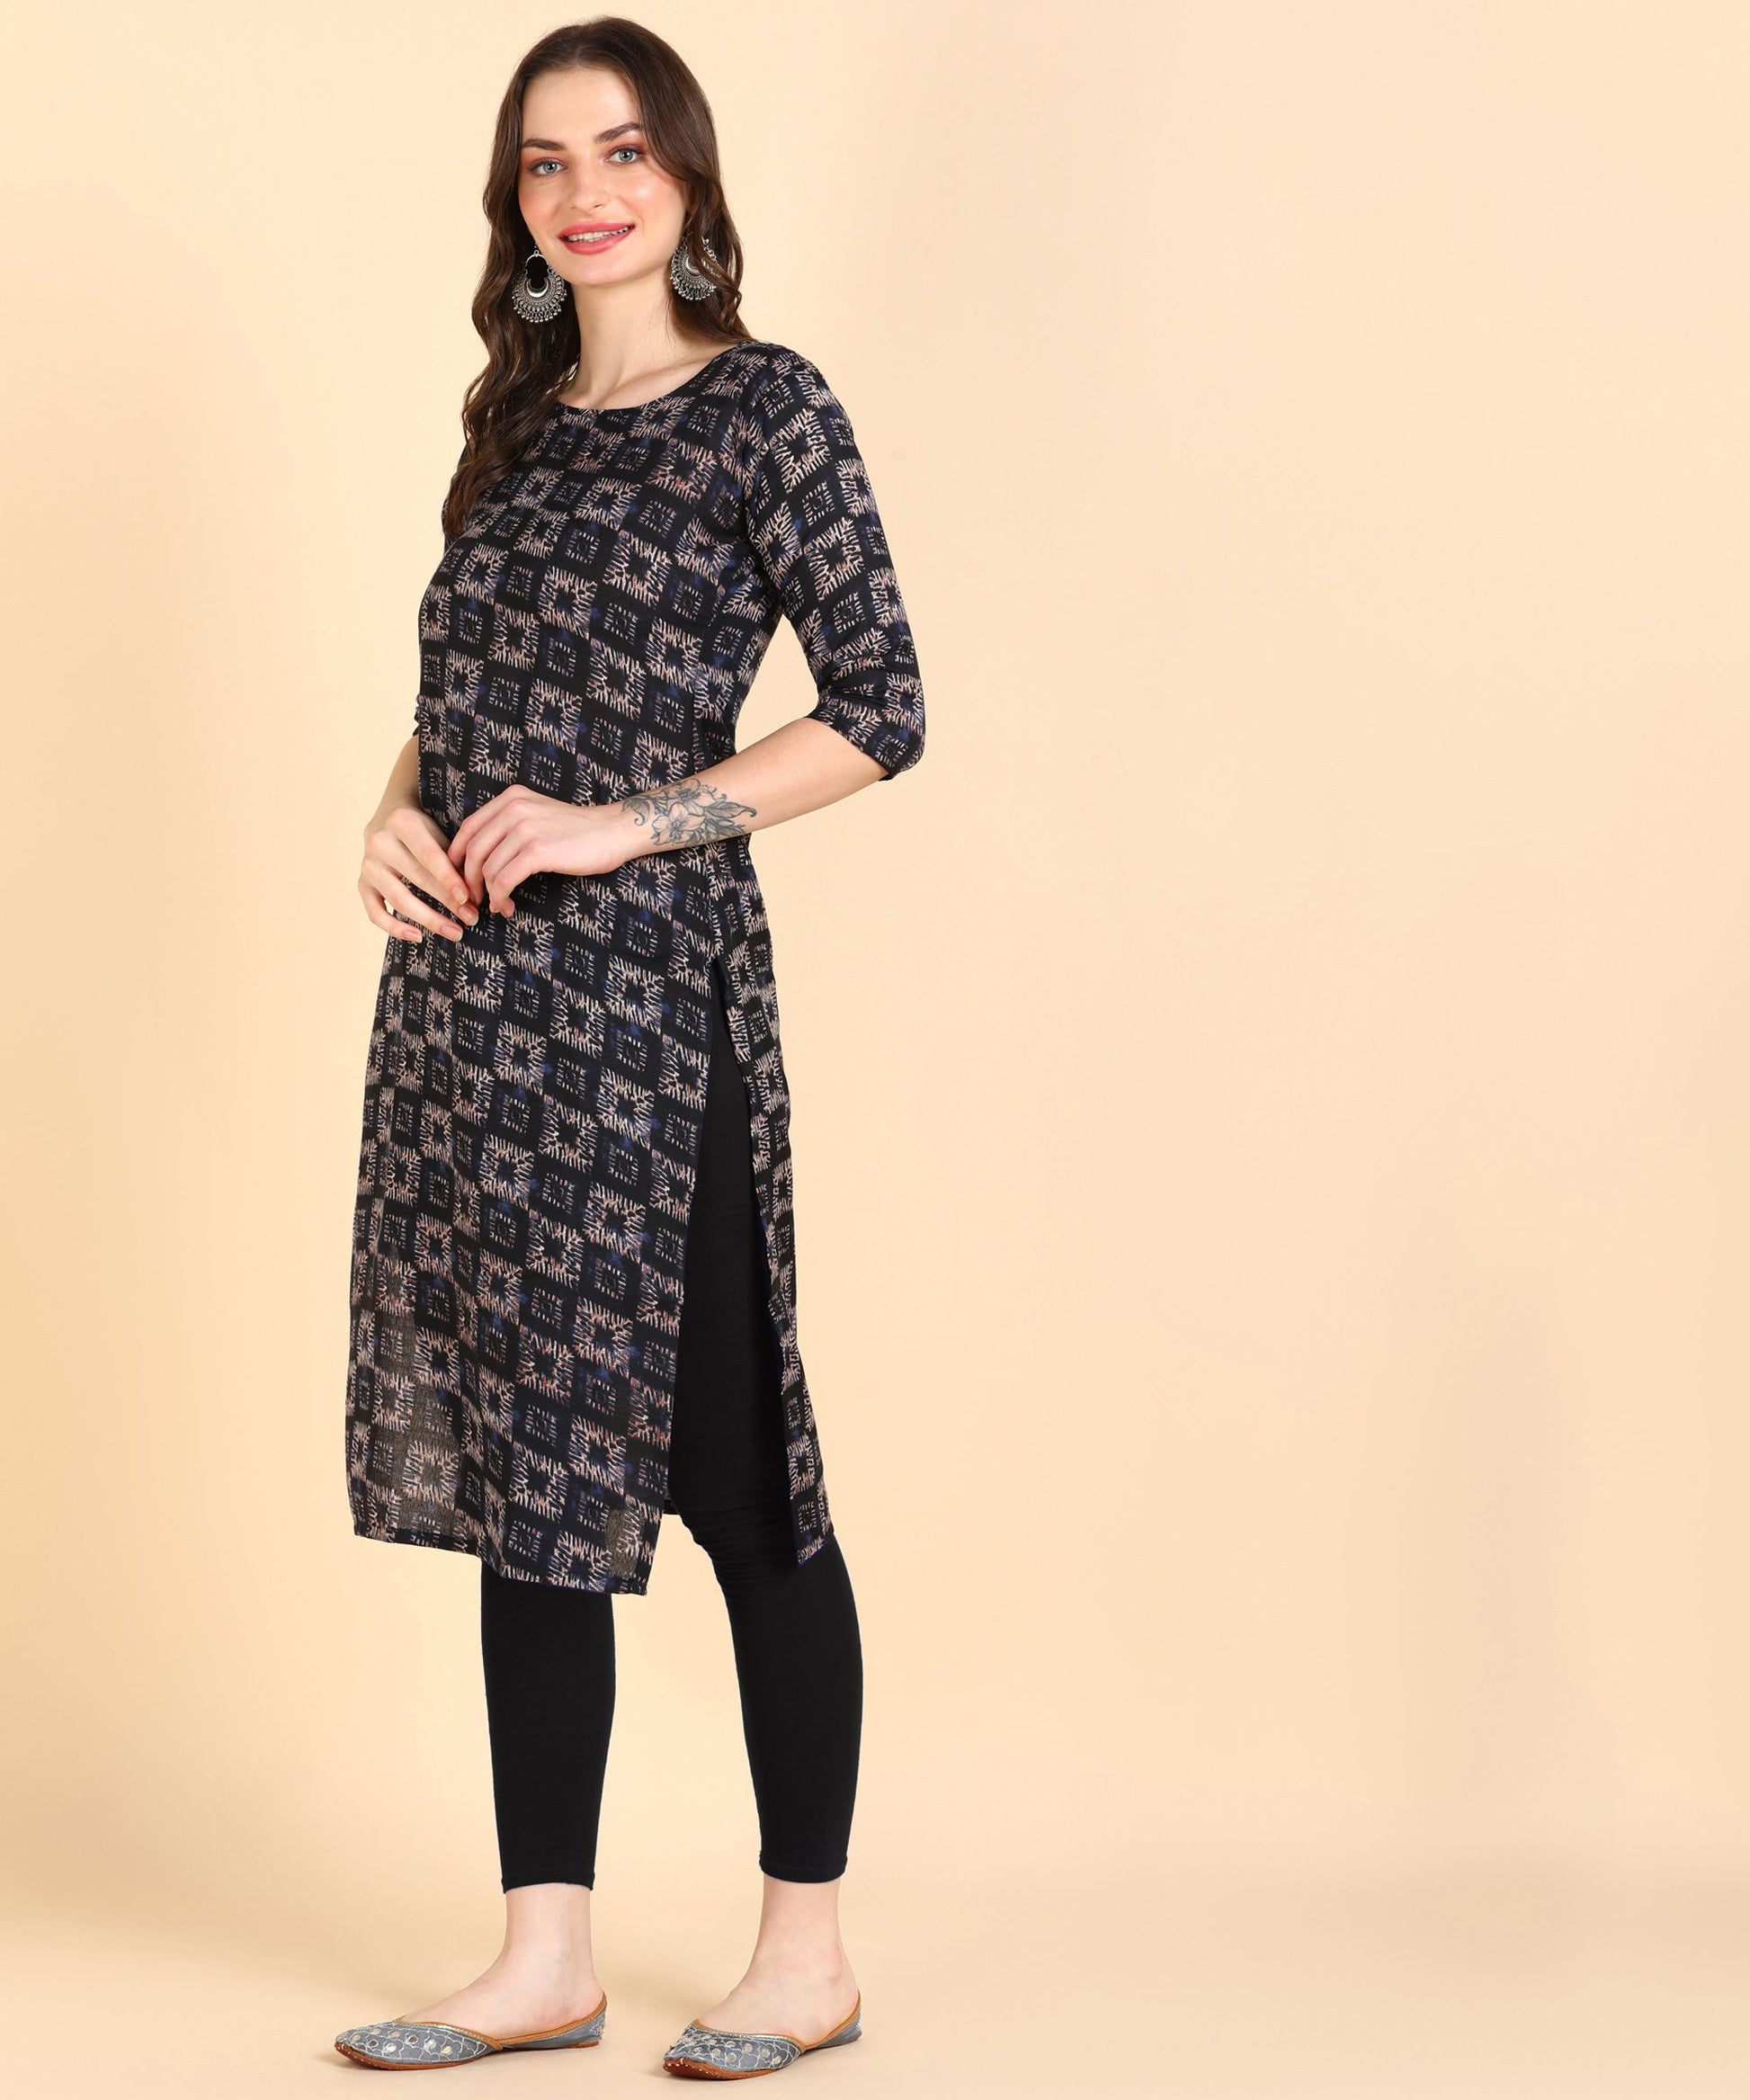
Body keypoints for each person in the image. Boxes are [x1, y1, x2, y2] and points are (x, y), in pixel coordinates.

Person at [334, 16, 925, 2083]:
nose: (585, 194)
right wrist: (392, 816)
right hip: (474, 1021)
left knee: (741, 1474)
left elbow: (880, 707)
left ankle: (805, 1952)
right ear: (513, 206)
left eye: (622, 152)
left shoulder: (766, 407)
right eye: (544, 161)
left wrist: (621, 822)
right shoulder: (508, 434)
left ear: (685, 177)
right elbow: (465, 700)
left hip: (652, 1019)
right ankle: (543, 1958)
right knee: (528, 1479)